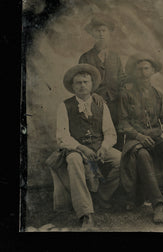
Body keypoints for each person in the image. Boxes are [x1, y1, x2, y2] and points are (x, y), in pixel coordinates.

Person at [46, 64, 121, 230]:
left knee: (121, 160)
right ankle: (86, 214)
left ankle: (102, 196)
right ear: (72, 87)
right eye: (78, 83)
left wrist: (104, 147)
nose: (82, 85)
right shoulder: (65, 106)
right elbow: (62, 136)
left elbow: (110, 133)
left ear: (92, 85)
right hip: (76, 149)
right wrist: (81, 148)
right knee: (73, 160)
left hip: (98, 147)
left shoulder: (102, 105)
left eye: (85, 82)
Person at [118, 53, 163, 224]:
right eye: (139, 69)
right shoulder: (126, 94)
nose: (143, 73)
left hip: (156, 139)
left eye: (146, 69)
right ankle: (158, 204)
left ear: (153, 71)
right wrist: (139, 136)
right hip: (135, 141)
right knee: (142, 154)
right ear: (134, 73)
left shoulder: (158, 95)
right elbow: (123, 123)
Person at [79, 15, 126, 150]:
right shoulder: (85, 57)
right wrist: (92, 94)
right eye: (98, 31)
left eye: (104, 30)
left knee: (118, 133)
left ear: (109, 33)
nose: (101, 33)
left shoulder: (115, 57)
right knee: (98, 134)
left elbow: (121, 77)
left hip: (115, 101)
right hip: (94, 102)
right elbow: (81, 82)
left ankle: (117, 166)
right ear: (93, 33)